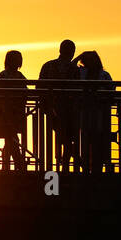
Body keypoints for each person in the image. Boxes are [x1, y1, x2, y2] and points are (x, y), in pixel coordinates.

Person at [37, 39, 80, 170]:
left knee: (61, 136)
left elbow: (39, 86)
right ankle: (66, 164)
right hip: (66, 109)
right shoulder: (74, 69)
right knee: (68, 138)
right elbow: (78, 88)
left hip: (55, 108)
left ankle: (59, 163)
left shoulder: (48, 65)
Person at [75, 50, 114, 173]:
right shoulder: (80, 72)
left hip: (100, 113)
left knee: (98, 141)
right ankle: (86, 167)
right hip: (85, 112)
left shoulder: (104, 75)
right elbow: (71, 66)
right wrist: (79, 56)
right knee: (86, 140)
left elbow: (111, 91)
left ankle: (97, 168)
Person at [0, 50, 28, 170]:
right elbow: (26, 92)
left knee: (10, 139)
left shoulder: (5, 75)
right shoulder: (16, 76)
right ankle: (18, 164)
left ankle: (10, 165)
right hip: (8, 114)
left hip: (8, 114)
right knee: (12, 139)